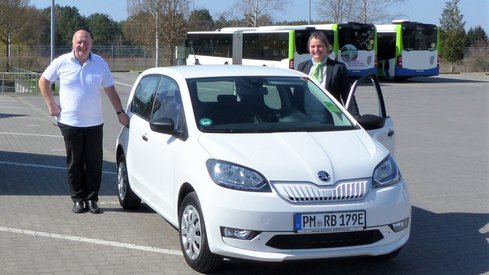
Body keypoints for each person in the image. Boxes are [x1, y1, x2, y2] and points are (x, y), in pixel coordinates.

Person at [38, 30, 129, 214]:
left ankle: (92, 199)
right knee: (75, 163)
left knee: (95, 163)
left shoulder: (100, 64)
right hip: (70, 123)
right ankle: (78, 199)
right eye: (79, 42)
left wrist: (120, 112)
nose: (82, 45)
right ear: (73, 43)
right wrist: (51, 105)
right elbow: (43, 81)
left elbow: (110, 90)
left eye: (86, 42)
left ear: (91, 44)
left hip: (95, 123)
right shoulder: (62, 62)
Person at [297, 31, 360, 118]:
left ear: (327, 47)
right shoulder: (302, 67)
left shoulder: (338, 68)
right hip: (306, 118)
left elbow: (347, 95)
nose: (316, 50)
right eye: (312, 46)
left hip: (331, 118)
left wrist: (356, 117)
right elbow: (297, 94)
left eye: (320, 46)